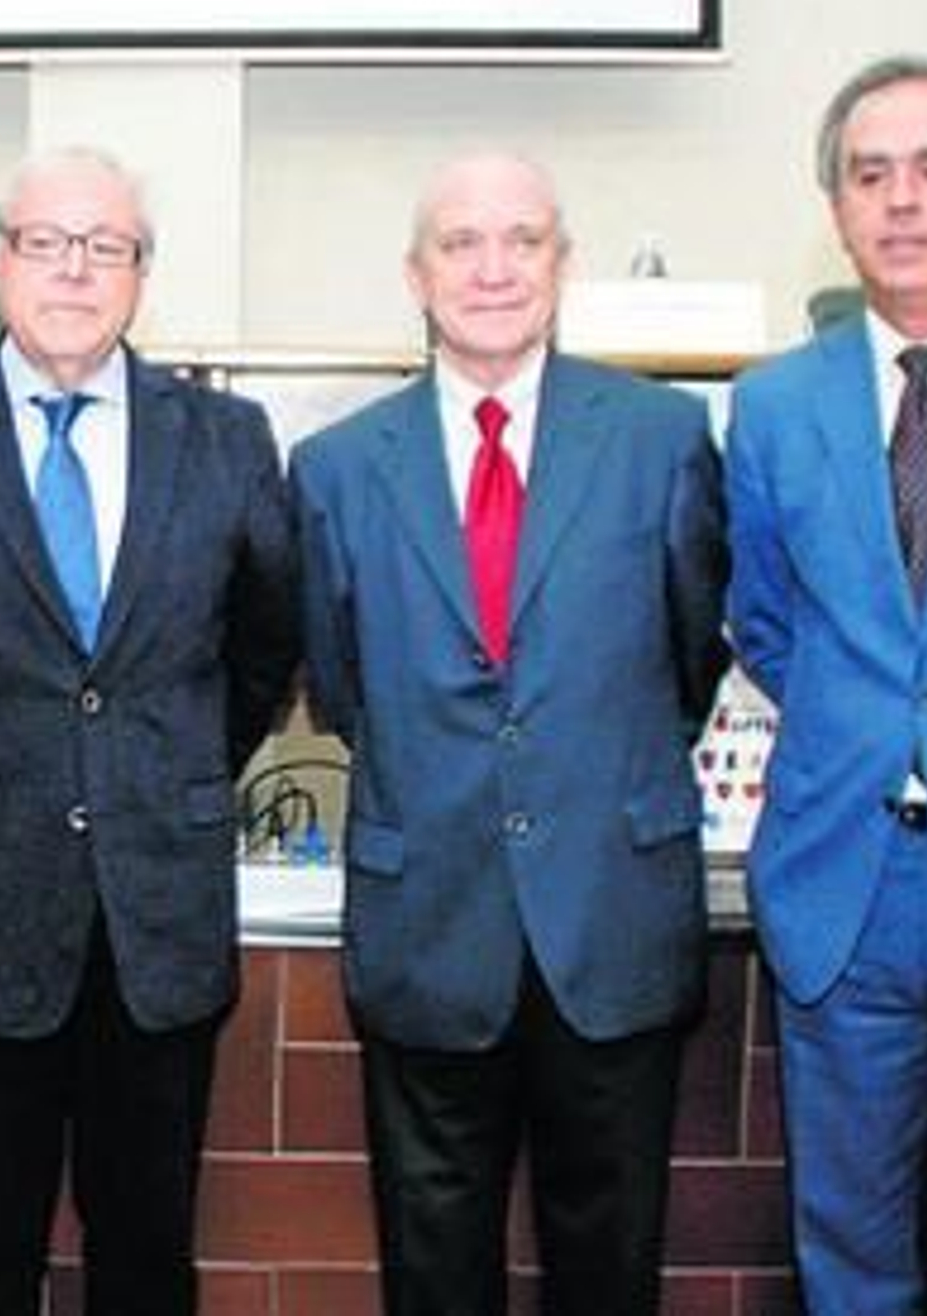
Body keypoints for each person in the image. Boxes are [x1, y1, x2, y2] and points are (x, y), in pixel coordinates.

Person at [0, 146, 299, 1316]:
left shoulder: (226, 439)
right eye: (46, 242)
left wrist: (155, 783)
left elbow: (263, 650)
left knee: (148, 1264)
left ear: (141, 273)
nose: (75, 269)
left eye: (105, 246)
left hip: (155, 923)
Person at [291, 152, 728, 1316]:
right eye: (461, 243)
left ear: (562, 263)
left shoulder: (662, 437)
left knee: (608, 1268)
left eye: (522, 240)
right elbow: (338, 687)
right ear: (415, 274)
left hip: (611, 916)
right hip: (429, 920)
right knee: (432, 1270)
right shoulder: (335, 470)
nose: (493, 269)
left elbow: (690, 659)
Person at [727, 55, 927, 1312]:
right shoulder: (772, 406)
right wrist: (872, 726)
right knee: (846, 1261)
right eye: (867, 174)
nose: (899, 200)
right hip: (843, 885)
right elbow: (764, 619)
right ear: (835, 208)